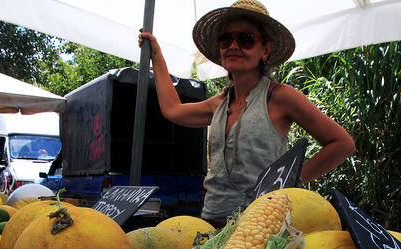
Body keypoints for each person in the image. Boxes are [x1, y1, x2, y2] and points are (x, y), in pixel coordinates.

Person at [139, 0, 354, 227]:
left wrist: (290, 180)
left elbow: (342, 144)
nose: (233, 45)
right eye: (226, 38)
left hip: (259, 225)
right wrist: (157, 56)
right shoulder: (219, 103)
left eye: (246, 39)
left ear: (265, 50)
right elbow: (173, 110)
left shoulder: (280, 97)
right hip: (211, 222)